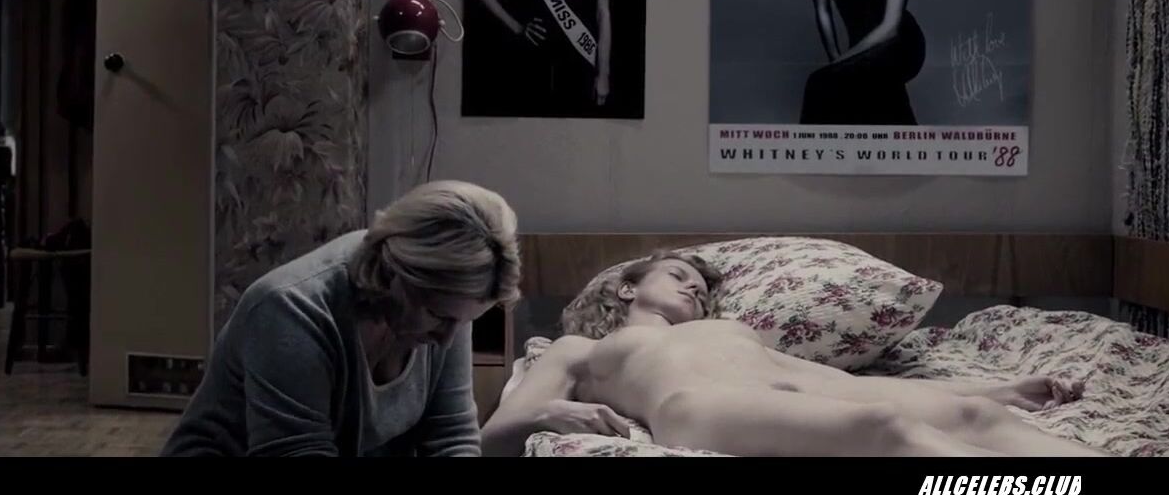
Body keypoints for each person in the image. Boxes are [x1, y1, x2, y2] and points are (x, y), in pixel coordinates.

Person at [481, 250, 1108, 457]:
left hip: (792, 388)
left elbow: (827, 378)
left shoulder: (730, 331)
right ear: (627, 289)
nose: (694, 287)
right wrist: (549, 414)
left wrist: (991, 390)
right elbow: (488, 438)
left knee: (980, 419)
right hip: (696, 405)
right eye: (678, 276)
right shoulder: (580, 347)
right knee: (886, 430)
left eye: (701, 286)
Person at [161, 180, 521, 456]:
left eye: (463, 321)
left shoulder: (448, 303)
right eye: (438, 317)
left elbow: (451, 436)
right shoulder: (290, 310)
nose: (447, 339)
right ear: (396, 276)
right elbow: (297, 454)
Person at [475, 0, 612, 112]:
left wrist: (603, 74)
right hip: (534, 64)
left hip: (580, 64)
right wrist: (518, 28)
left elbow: (603, 14)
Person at [801, 0, 926, 126]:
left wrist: (839, 64)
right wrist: (836, 60)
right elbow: (822, 9)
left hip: (900, 44)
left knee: (819, 83)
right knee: (861, 93)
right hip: (861, 47)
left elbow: (890, 27)